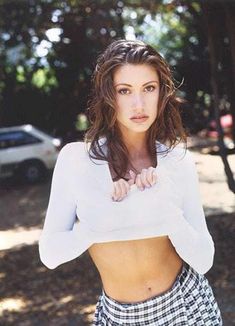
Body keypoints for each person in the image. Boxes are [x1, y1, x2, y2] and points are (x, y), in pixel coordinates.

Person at [38, 39, 223, 325]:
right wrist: (95, 224)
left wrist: (167, 213)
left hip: (187, 305)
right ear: (108, 96)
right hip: (119, 316)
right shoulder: (77, 160)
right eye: (125, 91)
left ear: (162, 92)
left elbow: (204, 260)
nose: (139, 104)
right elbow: (50, 254)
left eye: (149, 88)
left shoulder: (176, 160)